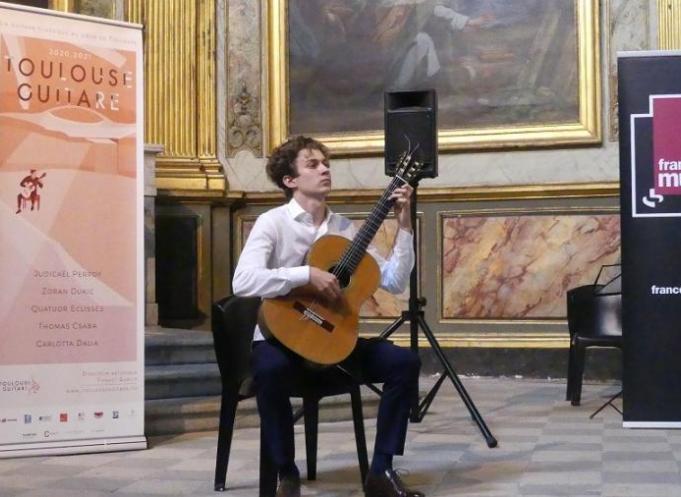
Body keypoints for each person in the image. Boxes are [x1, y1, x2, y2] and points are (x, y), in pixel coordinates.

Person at [232, 136, 425, 497]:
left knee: (404, 363)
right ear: (290, 180)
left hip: (334, 343)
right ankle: (286, 473)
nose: (324, 169)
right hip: (282, 339)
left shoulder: (344, 229)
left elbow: (395, 282)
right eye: (313, 164)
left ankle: (380, 471)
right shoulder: (272, 223)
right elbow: (243, 280)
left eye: (326, 163)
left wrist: (405, 225)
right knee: (270, 370)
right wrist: (306, 275)